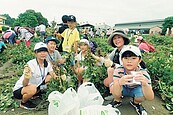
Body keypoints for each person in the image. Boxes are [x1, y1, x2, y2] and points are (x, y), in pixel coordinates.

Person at [109, 45, 154, 115]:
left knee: (142, 93)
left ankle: (136, 103)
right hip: (123, 88)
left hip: (135, 89)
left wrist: (145, 84)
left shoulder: (143, 73)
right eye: (126, 58)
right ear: (121, 60)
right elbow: (116, 88)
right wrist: (120, 82)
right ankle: (117, 100)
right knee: (113, 86)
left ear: (139, 60)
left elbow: (150, 97)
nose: (129, 61)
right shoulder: (118, 70)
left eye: (133, 58)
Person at [13, 42, 56, 110]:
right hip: (21, 89)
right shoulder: (31, 64)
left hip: (36, 87)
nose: (43, 53)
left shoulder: (47, 64)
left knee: (49, 78)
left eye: (45, 51)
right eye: (40, 51)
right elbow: (24, 84)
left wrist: (60, 77)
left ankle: (35, 94)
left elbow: (52, 75)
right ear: (35, 53)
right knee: (32, 88)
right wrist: (27, 77)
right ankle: (23, 102)